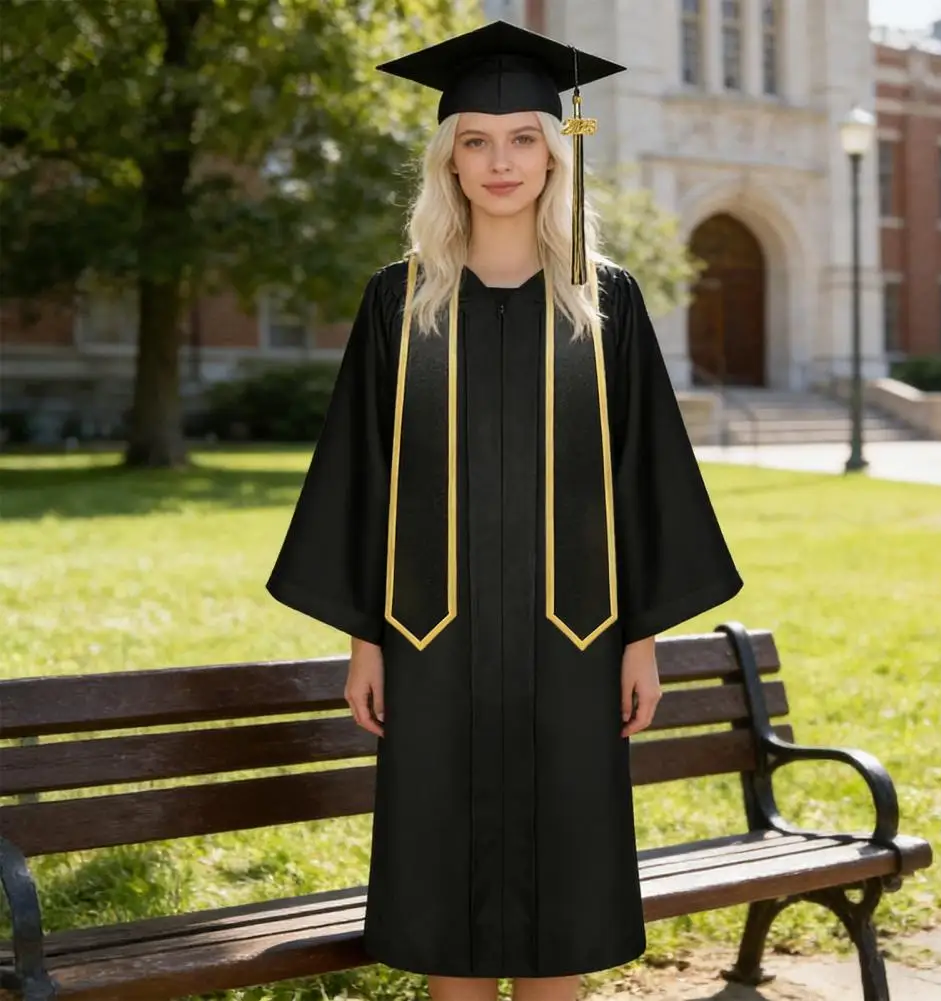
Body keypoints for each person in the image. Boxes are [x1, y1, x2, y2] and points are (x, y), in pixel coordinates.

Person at [265, 19, 743, 1001]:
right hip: (427, 637)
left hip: (573, 637)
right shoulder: (399, 301)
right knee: (448, 901)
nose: (499, 161)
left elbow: (644, 473)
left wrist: (638, 636)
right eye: (474, 140)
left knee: (557, 898)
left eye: (522, 136)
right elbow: (359, 472)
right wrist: (367, 638)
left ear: (556, 150)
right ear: (447, 158)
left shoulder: (601, 301)